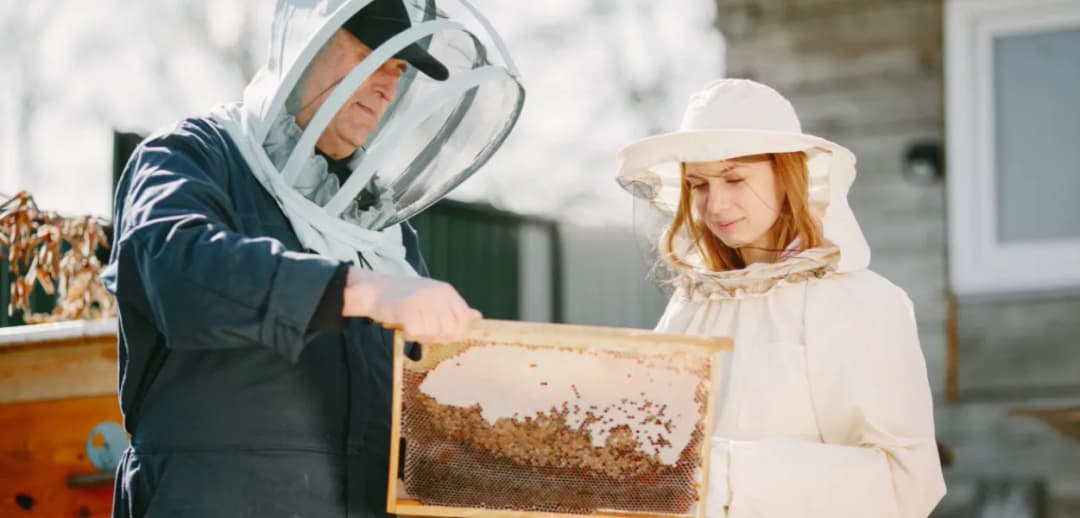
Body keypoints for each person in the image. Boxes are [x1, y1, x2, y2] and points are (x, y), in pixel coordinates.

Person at [102, 0, 523, 516]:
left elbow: (414, 420)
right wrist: (358, 292)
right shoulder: (193, 157)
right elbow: (178, 274)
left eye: (397, 69)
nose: (385, 85)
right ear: (305, 45)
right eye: (368, 54)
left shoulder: (383, 236)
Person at [615, 78, 946, 517]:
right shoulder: (690, 306)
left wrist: (726, 475)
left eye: (734, 177)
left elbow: (905, 483)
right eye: (699, 184)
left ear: (785, 174)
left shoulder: (862, 303)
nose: (715, 204)